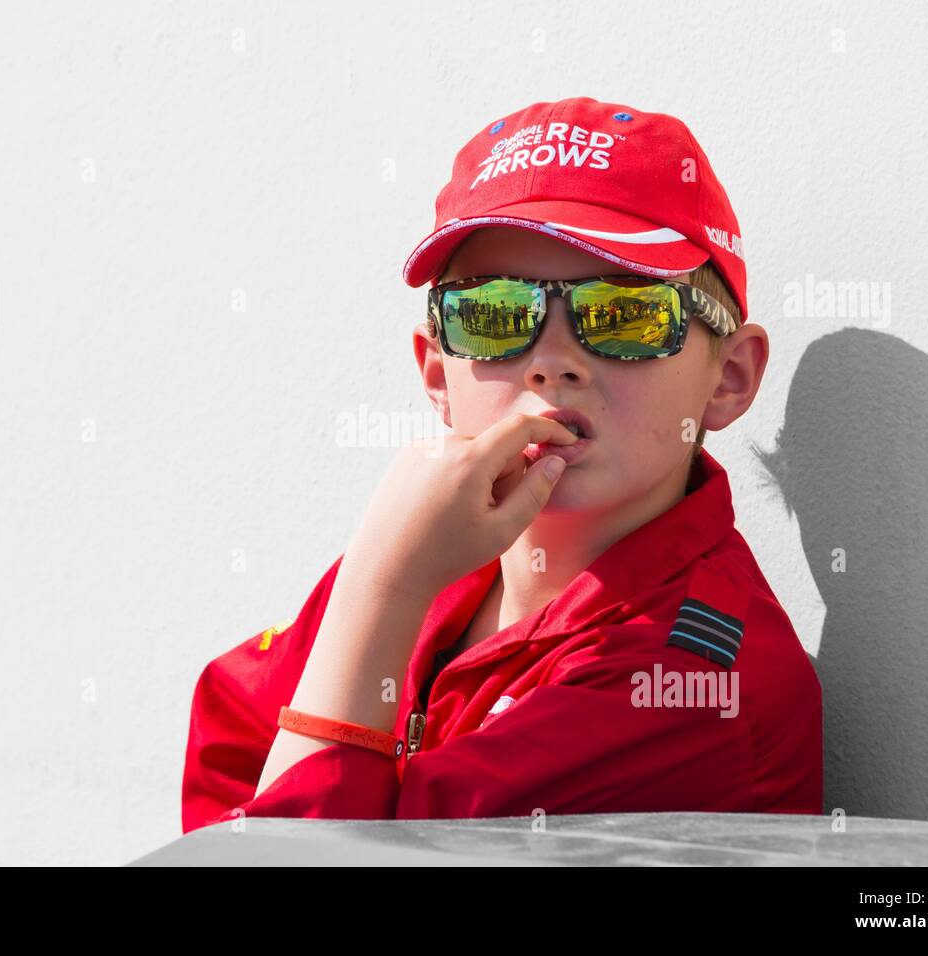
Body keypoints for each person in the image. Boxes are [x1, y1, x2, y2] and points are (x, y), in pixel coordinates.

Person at [181, 97, 822, 833]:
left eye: (624, 313)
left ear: (729, 377)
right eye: (494, 315)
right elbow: (230, 733)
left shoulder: (697, 685)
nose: (553, 362)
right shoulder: (427, 556)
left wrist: (380, 591)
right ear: (436, 376)